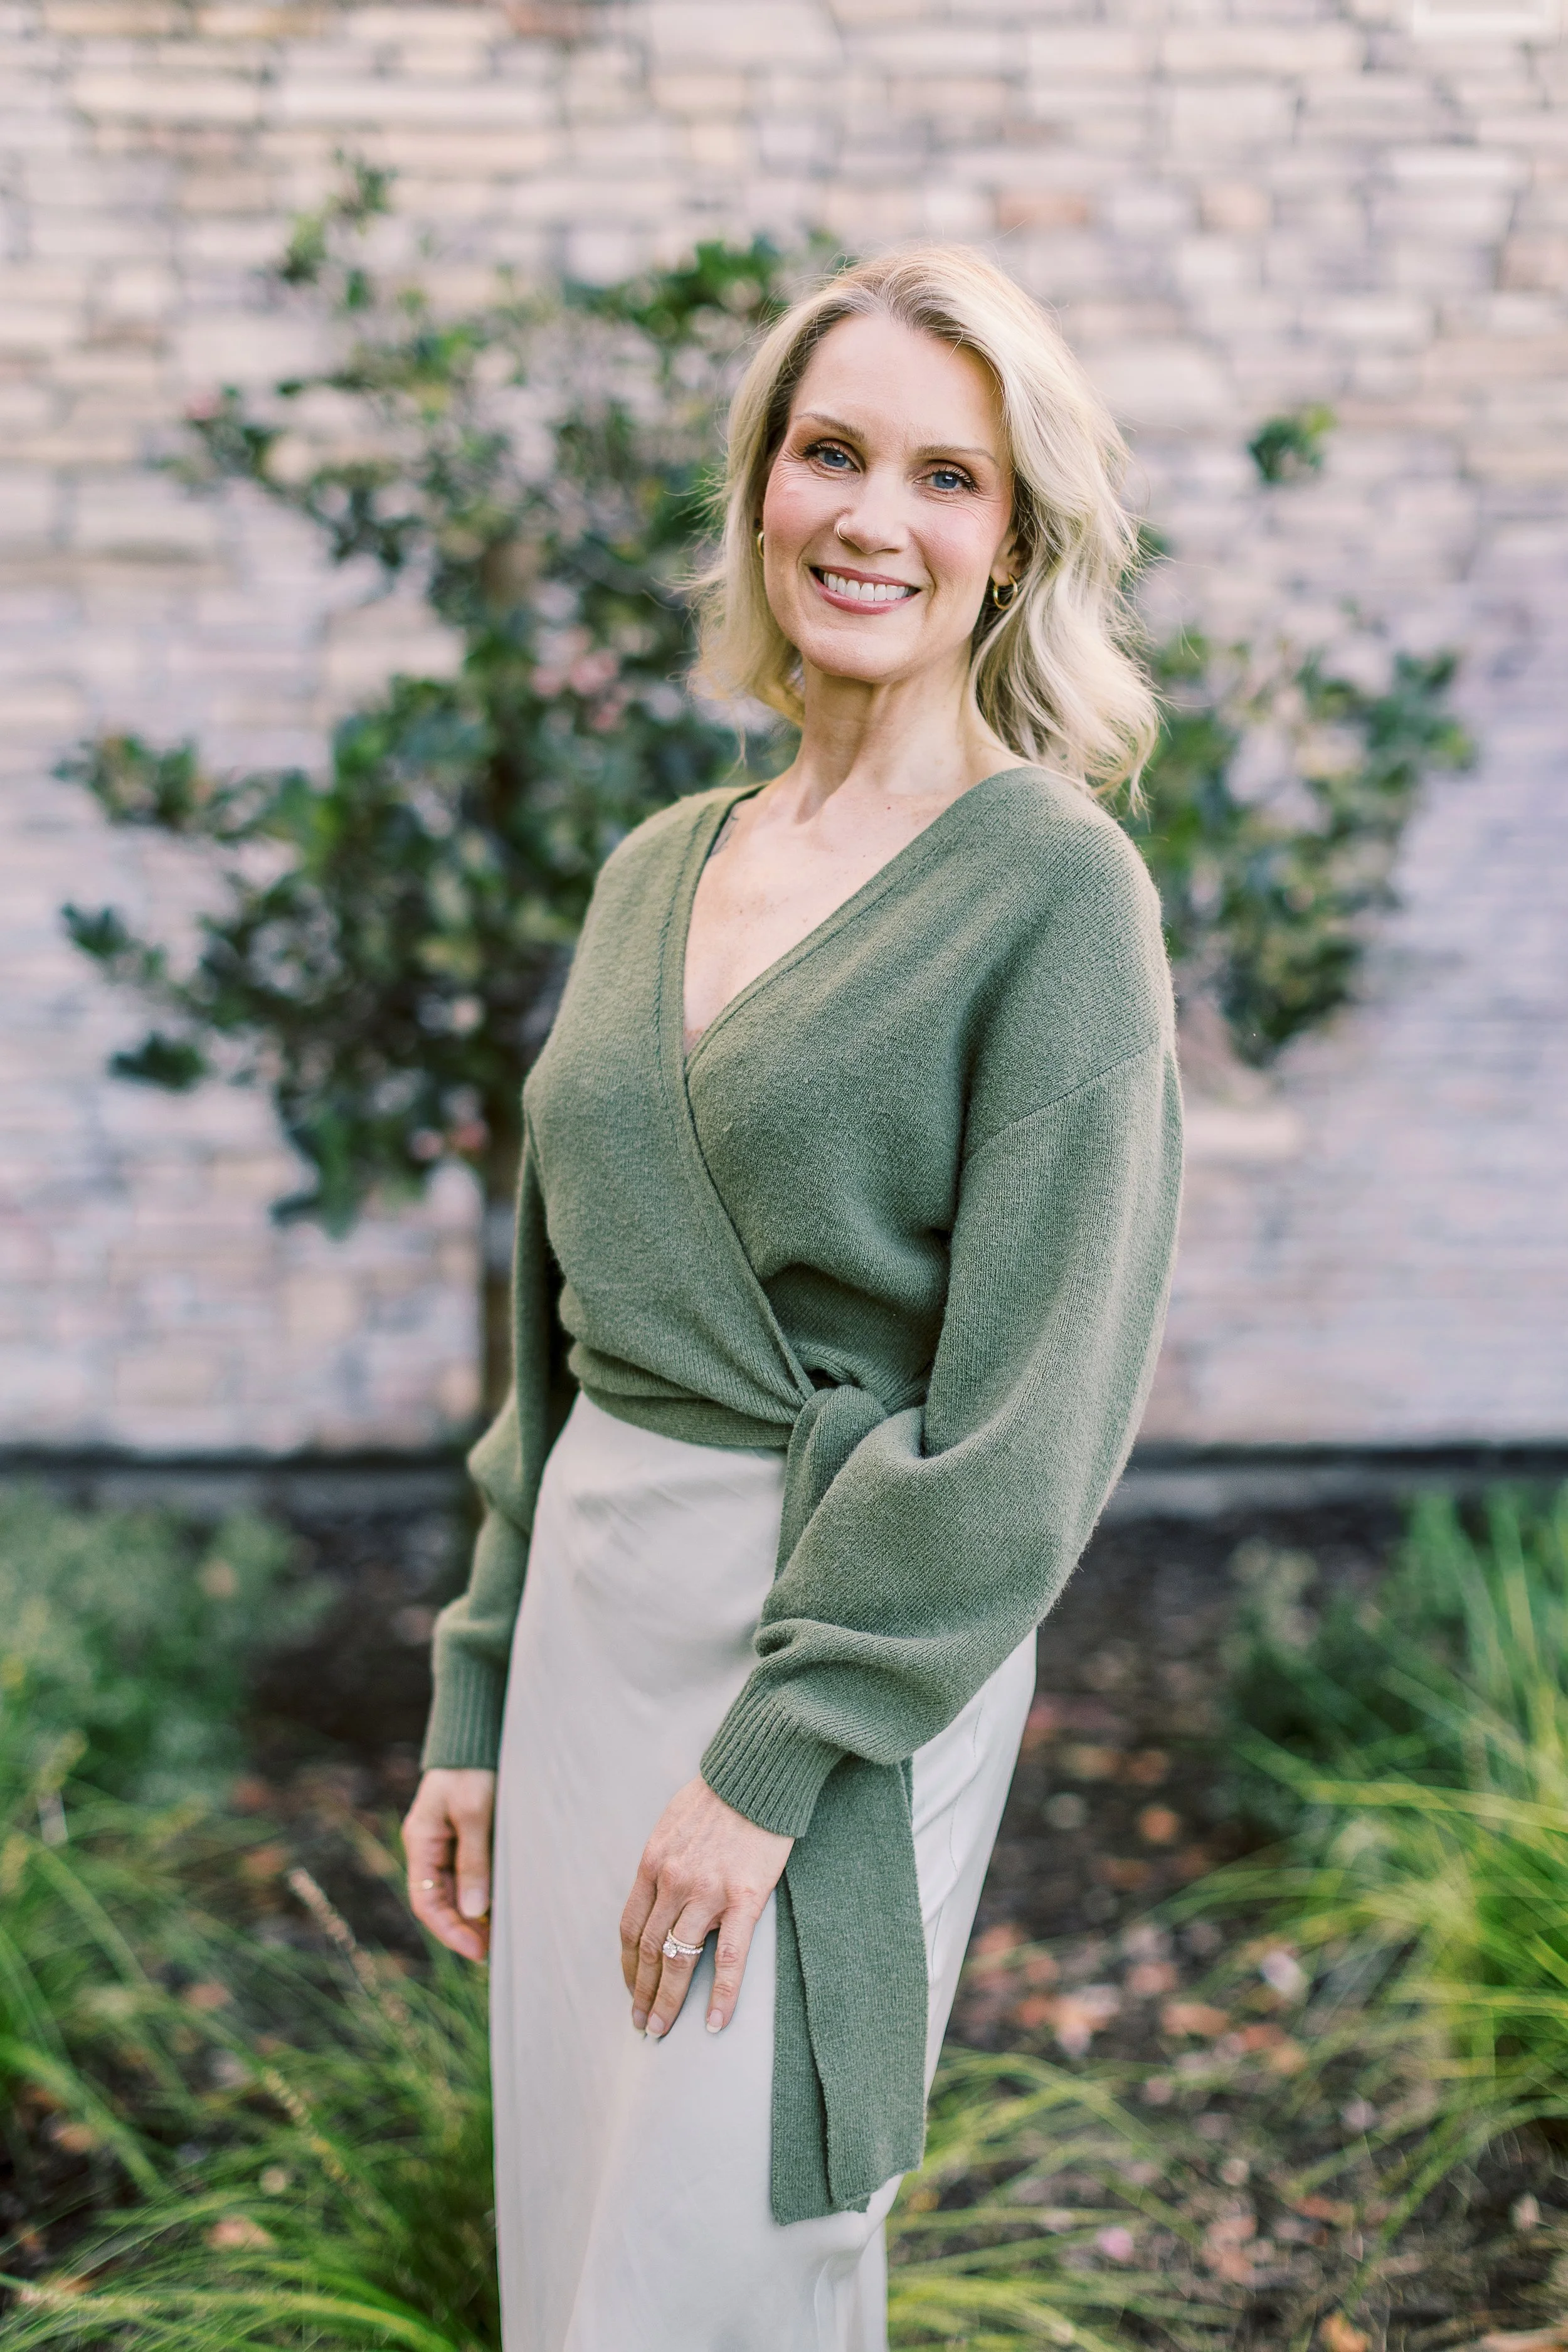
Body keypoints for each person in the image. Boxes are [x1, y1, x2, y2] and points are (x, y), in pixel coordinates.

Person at [401, 244, 1184, 2352]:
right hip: (589, 1604)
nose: (873, 515)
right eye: (829, 450)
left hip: (840, 1632)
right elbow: (551, 1331)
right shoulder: (654, 862)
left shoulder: (1049, 890)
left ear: (1008, 542)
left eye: (946, 476)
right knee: (575, 2224)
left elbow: (1036, 1414)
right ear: (759, 486)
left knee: (725, 2240)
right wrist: (476, 1689)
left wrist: (776, 1756)